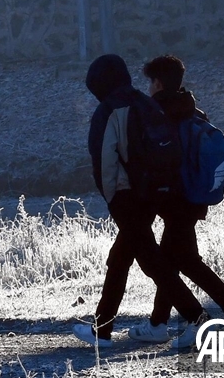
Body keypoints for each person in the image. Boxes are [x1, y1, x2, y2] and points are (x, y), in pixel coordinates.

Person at [73, 53, 211, 350]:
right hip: (153, 193)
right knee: (121, 258)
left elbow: (105, 163)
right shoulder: (143, 102)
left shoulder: (108, 110)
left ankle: (197, 318)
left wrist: (113, 201)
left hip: (127, 197)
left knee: (152, 262)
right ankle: (102, 329)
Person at [127, 55, 224, 344]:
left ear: (158, 83)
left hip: (175, 200)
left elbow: (157, 161)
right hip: (193, 197)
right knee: (175, 260)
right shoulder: (192, 110)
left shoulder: (160, 113)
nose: (148, 88)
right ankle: (159, 323)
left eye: (150, 82)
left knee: (178, 261)